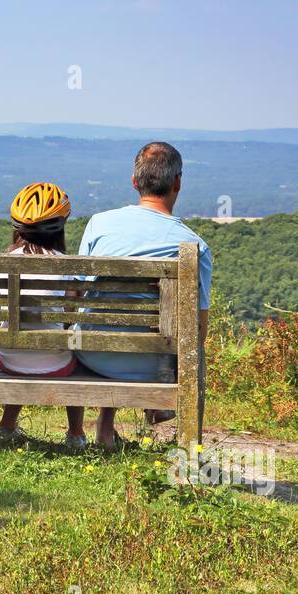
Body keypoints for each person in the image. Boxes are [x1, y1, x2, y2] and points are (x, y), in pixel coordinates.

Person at [75, 142, 212, 449]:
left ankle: (104, 429)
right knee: (186, 345)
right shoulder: (195, 245)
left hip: (93, 353)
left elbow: (80, 291)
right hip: (153, 367)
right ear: (177, 183)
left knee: (106, 317)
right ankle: (187, 446)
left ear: (134, 181)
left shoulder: (99, 224)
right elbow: (199, 329)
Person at [0, 182, 89, 448]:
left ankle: (7, 425)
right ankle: (76, 433)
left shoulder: (3, 264)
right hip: (56, 364)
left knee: (20, 337)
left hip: (10, 360)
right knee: (76, 345)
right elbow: (72, 314)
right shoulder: (65, 266)